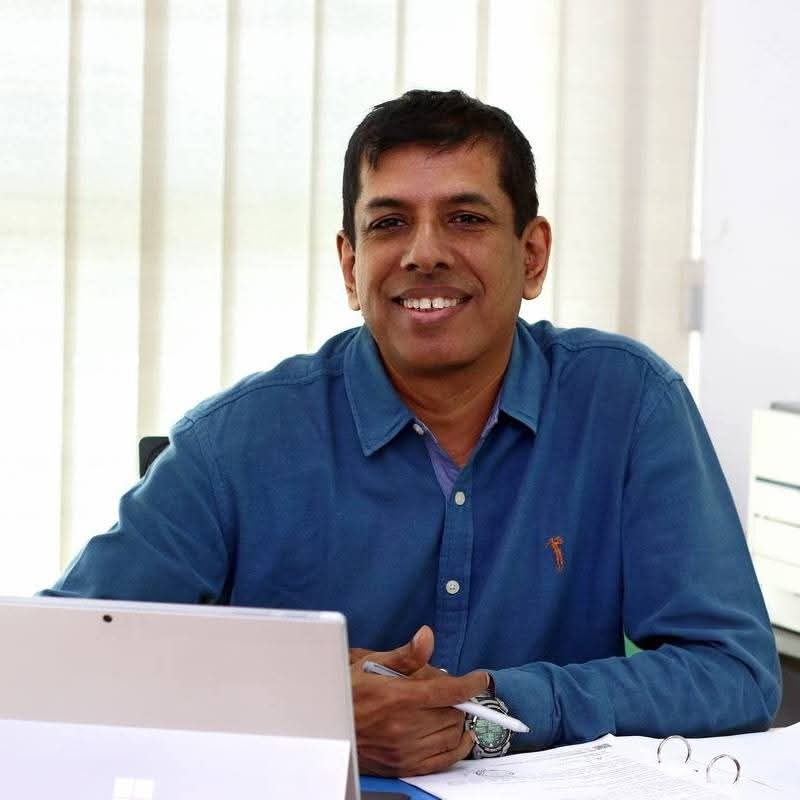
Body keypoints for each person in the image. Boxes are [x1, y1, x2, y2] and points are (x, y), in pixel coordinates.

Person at [44, 89, 781, 777]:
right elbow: (55, 661)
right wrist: (307, 706)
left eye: (466, 219)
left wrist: (488, 712)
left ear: (532, 256)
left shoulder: (628, 404)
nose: (424, 252)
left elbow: (734, 671)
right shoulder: (233, 444)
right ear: (350, 265)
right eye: (389, 223)